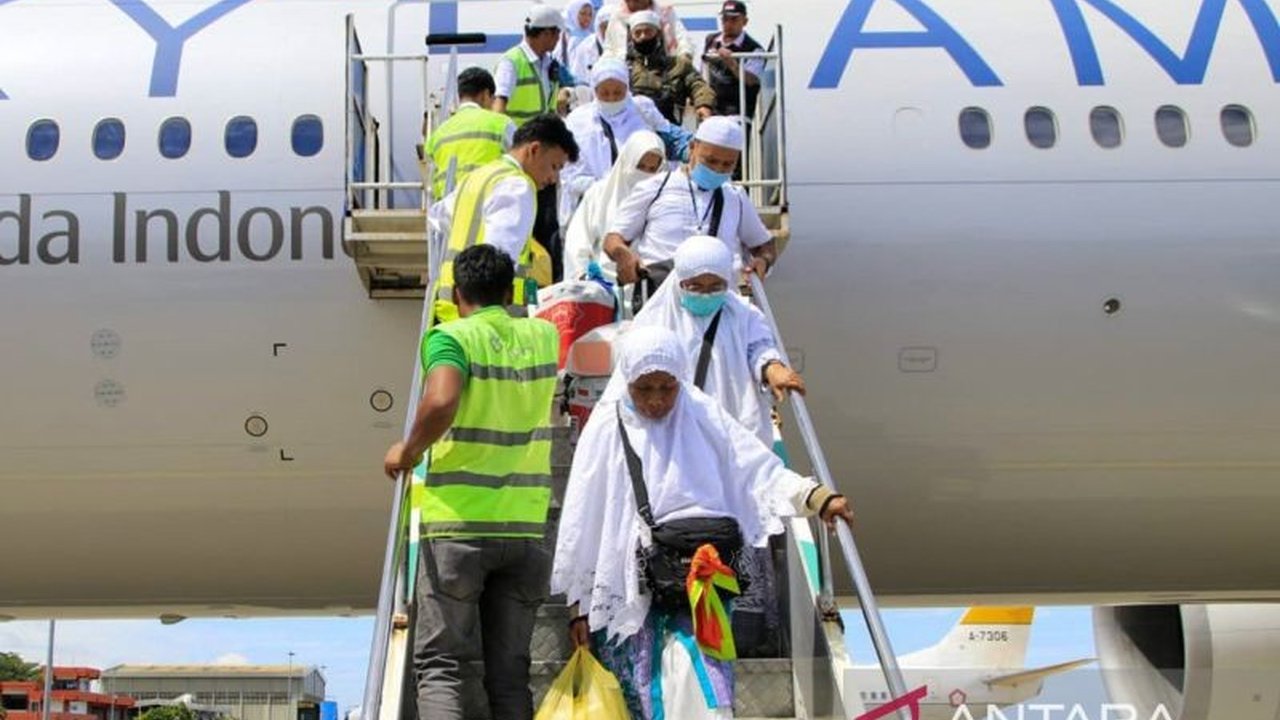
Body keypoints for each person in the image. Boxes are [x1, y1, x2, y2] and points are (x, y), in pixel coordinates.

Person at [551, 325, 852, 719]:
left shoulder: (701, 414)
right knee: (642, 691)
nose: (657, 401)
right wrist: (579, 608)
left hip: (701, 582)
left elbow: (755, 467)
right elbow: (582, 520)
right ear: (627, 380)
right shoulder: (606, 429)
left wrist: (815, 497)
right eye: (645, 389)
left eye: (667, 388)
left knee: (707, 687)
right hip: (631, 587)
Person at [384, 243, 562, 720]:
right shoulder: (544, 337)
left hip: (459, 526)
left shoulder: (451, 337)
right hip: (525, 529)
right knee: (509, 673)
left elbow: (441, 400)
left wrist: (409, 449)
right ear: (509, 291)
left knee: (442, 664)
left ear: (458, 293)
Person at [631, 235, 805, 656]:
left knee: (740, 529)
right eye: (697, 286)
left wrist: (775, 370)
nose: (707, 295)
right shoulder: (656, 322)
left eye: (715, 286)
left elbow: (761, 348)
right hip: (674, 443)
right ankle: (677, 624)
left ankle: (744, 631)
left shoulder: (742, 314)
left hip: (733, 443)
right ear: (680, 282)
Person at [603, 116, 777, 304]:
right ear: (692, 147)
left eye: (728, 164)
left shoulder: (735, 196)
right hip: (663, 305)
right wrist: (623, 255)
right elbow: (613, 239)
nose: (718, 169)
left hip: (719, 306)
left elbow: (764, 246)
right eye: (710, 161)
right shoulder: (654, 188)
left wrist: (763, 261)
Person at [429, 114, 580, 323]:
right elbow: (500, 259)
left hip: (451, 308)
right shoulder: (518, 186)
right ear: (534, 150)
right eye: (554, 166)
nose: (554, 178)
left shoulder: (479, 176)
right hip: (487, 318)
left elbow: (437, 218)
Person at [558, 58, 689, 224]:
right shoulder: (578, 121)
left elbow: (672, 138)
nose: (612, 98)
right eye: (604, 93)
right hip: (591, 208)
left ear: (627, 88)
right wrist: (612, 187)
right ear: (594, 90)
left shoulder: (642, 111)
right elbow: (571, 174)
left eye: (618, 92)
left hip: (640, 203)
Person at [562, 130, 665, 281]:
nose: (645, 175)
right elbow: (577, 242)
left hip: (648, 287)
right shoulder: (599, 194)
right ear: (627, 162)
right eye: (640, 166)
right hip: (601, 289)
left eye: (652, 169)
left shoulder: (664, 198)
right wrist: (583, 278)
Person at [424, 67, 516, 201]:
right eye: (492, 99)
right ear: (485, 95)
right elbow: (521, 163)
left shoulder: (437, 134)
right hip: (488, 208)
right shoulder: (501, 124)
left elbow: (432, 181)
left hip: (449, 210)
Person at [625, 10, 716, 124]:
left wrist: (703, 104)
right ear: (631, 37)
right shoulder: (622, 67)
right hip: (632, 131)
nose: (643, 37)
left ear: (658, 34)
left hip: (670, 131)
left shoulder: (678, 65)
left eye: (648, 32)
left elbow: (698, 86)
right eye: (638, 33)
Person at [703, 0, 765, 121]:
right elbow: (703, 71)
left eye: (734, 19)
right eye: (725, 19)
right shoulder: (711, 40)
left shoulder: (754, 49)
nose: (728, 23)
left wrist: (732, 63)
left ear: (745, 21)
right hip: (712, 112)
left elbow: (751, 80)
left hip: (738, 114)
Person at [603, 0, 695, 60]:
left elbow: (683, 40)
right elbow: (609, 49)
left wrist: (685, 57)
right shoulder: (617, 16)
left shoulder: (665, 12)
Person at [569, 3, 614, 83]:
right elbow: (578, 75)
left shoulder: (626, 45)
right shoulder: (586, 47)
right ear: (598, 27)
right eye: (605, 27)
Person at [559, 0, 596, 69]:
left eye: (590, 14)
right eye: (583, 13)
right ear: (574, 13)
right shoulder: (566, 34)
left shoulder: (592, 36)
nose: (587, 18)